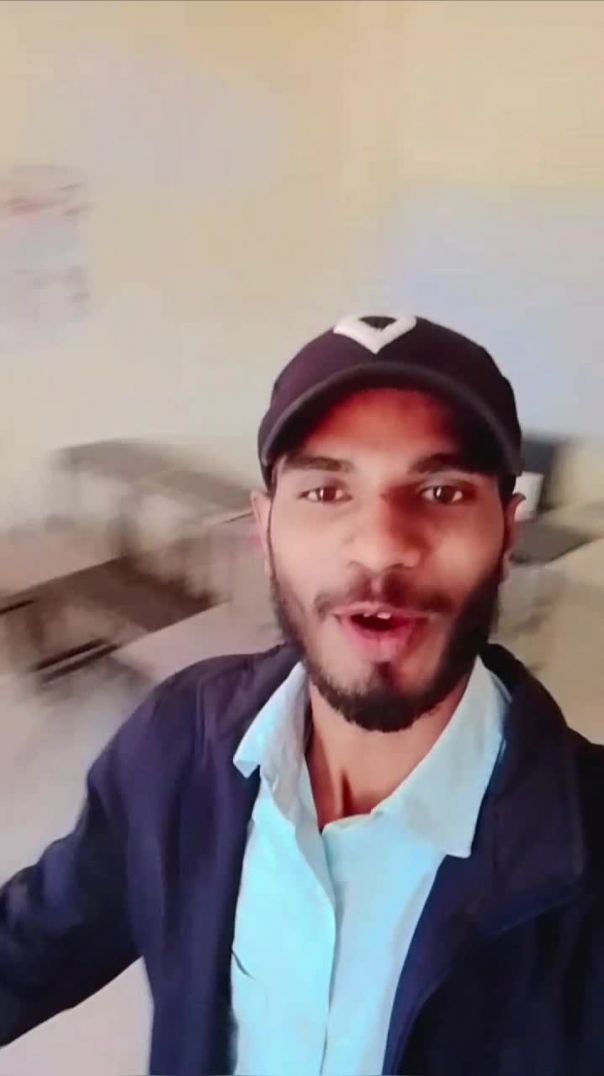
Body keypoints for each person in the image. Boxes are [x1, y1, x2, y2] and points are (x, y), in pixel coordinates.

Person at [1, 315, 603, 1076]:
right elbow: (33, 941)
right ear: (263, 530)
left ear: (509, 534)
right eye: (325, 490)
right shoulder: (175, 744)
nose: (381, 545)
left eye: (442, 491)